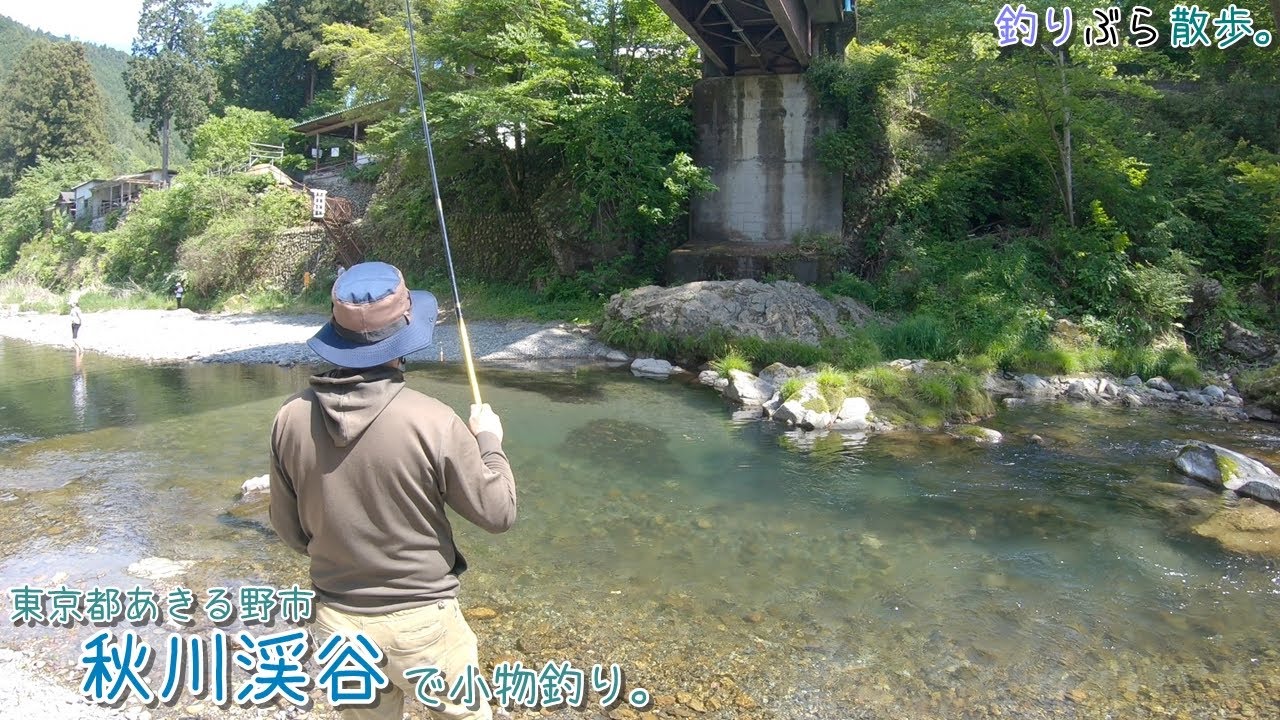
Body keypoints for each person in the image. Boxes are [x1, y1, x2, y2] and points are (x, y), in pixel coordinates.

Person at [268, 261, 515, 720]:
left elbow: (289, 530)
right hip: (424, 623)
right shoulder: (434, 420)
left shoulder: (289, 418)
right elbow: (498, 513)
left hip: (337, 624)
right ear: (404, 338)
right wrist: (489, 440)